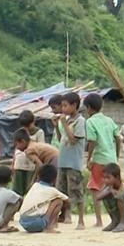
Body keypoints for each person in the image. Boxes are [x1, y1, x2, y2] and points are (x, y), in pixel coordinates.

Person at [84, 93, 121, 228]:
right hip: (111, 159)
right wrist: (116, 155)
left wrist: (89, 158)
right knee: (115, 188)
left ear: (88, 108)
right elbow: (118, 138)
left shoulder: (90, 122)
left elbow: (92, 141)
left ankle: (99, 220)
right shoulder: (109, 120)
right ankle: (119, 217)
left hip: (99, 159)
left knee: (95, 188)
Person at [55, 92, 87, 229]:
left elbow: (73, 140)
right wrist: (57, 126)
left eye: (65, 106)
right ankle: (65, 215)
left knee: (76, 190)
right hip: (63, 161)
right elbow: (61, 139)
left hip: (74, 162)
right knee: (62, 190)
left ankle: (81, 220)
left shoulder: (80, 121)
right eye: (62, 106)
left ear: (74, 105)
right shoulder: (67, 121)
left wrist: (63, 123)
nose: (63, 109)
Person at [17, 164, 67, 233]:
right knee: (58, 201)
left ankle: (46, 224)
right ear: (55, 179)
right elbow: (67, 200)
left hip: (23, 222)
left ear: (38, 176)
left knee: (46, 202)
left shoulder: (35, 185)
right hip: (37, 223)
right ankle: (49, 227)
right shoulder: (52, 190)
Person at [95, 163, 124, 232]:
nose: (105, 180)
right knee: (105, 196)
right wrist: (108, 190)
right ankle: (115, 221)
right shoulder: (110, 187)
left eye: (108, 177)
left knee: (119, 195)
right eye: (104, 178)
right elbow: (97, 198)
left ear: (117, 177)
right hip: (119, 215)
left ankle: (123, 222)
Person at [13, 110, 46, 195]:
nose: (26, 128)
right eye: (24, 126)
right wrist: (13, 164)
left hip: (31, 166)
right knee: (18, 190)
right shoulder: (20, 132)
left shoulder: (39, 132)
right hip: (19, 164)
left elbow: (41, 148)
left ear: (33, 121)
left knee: (29, 189)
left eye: (28, 125)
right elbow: (16, 149)